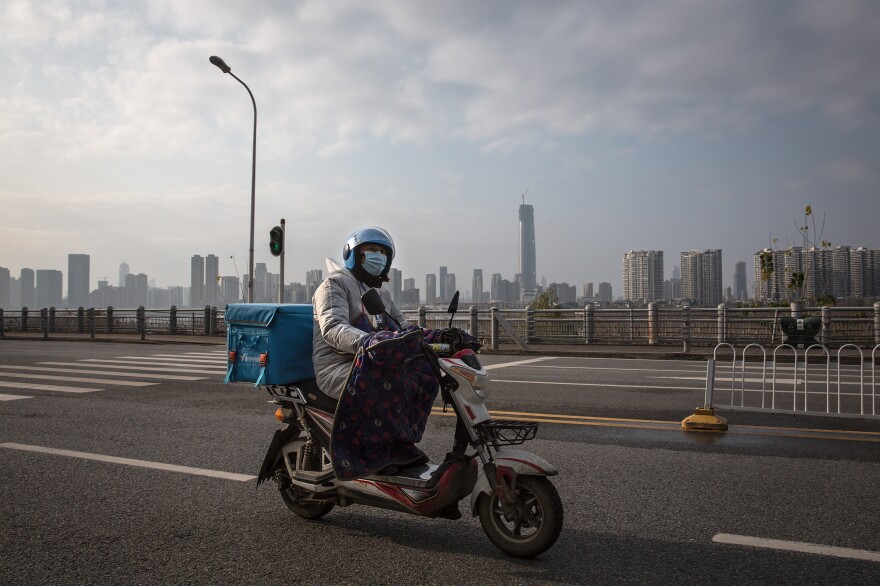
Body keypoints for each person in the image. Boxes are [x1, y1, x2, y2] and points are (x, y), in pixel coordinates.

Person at [311, 226, 412, 400]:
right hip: (337, 367)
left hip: (372, 361)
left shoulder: (381, 292)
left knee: (420, 375)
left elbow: (402, 325)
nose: (378, 255)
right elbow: (333, 327)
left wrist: (431, 336)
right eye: (371, 249)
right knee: (387, 384)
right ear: (354, 254)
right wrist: (369, 341)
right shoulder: (334, 284)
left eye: (382, 252)